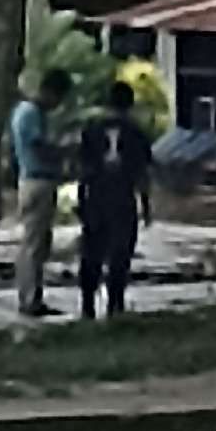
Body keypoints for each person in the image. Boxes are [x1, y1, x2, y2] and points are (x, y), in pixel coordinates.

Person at [73, 70, 153, 320]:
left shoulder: (91, 129)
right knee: (120, 251)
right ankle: (115, 304)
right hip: (122, 198)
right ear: (130, 105)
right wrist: (146, 204)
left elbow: (82, 169)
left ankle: (87, 305)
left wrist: (80, 199)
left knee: (92, 251)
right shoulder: (136, 132)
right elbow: (143, 172)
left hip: (96, 196)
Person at [8, 68, 66, 320]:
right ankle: (30, 298)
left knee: (37, 242)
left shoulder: (23, 111)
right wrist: (62, 151)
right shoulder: (31, 113)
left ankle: (32, 295)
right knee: (33, 244)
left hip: (30, 179)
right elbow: (37, 145)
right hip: (37, 180)